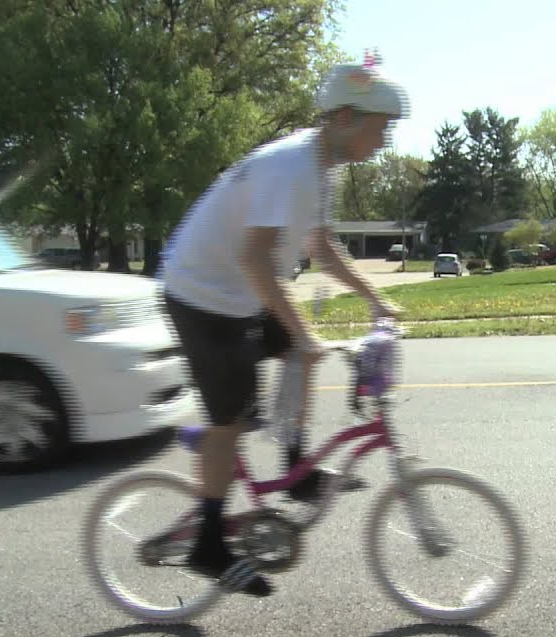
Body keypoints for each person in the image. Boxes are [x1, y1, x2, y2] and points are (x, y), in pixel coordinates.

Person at [157, 57, 408, 597]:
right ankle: (207, 546)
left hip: (238, 292)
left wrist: (376, 298)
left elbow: (321, 248)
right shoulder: (292, 166)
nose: (383, 141)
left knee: (301, 352)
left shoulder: (319, 169)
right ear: (345, 116)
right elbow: (254, 257)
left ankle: (295, 466)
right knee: (231, 419)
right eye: (380, 127)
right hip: (202, 295)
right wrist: (300, 329)